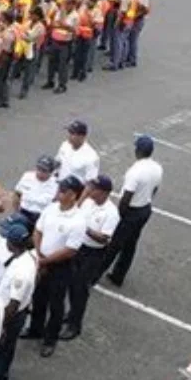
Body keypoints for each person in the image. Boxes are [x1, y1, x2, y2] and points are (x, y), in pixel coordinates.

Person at [22, 176, 86, 357]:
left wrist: (44, 261)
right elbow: (38, 231)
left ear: (73, 195)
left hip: (60, 267)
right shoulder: (51, 208)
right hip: (42, 259)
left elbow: (70, 250)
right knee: (38, 297)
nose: (58, 193)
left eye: (63, 191)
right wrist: (39, 253)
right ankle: (35, 329)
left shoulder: (78, 220)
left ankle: (50, 339)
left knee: (56, 304)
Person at [102, 134, 162, 288]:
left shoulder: (135, 172)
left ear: (138, 151)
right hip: (145, 209)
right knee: (130, 244)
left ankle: (95, 273)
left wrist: (118, 216)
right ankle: (118, 275)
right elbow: (154, 190)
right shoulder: (157, 168)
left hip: (131, 211)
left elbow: (126, 197)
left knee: (114, 244)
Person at [64, 175, 118, 339]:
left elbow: (105, 239)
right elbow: (76, 210)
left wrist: (85, 229)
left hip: (93, 253)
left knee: (81, 288)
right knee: (72, 284)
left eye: (94, 188)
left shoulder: (110, 213)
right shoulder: (88, 202)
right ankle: (72, 313)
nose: (90, 190)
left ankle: (75, 325)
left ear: (103, 192)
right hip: (79, 247)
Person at [0, 222, 37, 380]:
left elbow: (14, 303)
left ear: (12, 244)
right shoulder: (25, 259)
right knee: (4, 349)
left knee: (3, 350)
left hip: (11, 316)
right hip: (13, 312)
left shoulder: (21, 271)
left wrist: (2, 325)